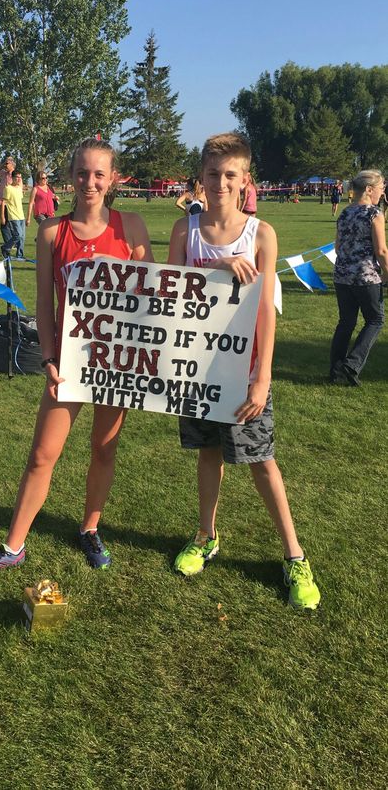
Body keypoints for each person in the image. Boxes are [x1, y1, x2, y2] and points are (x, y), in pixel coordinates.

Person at [0, 137, 153, 585]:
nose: (90, 182)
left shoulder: (133, 226)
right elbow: (46, 303)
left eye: (99, 174)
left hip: (117, 361)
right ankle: (13, 545)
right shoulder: (52, 231)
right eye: (82, 173)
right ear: (70, 178)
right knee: (41, 455)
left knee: (103, 450)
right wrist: (48, 356)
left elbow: (154, 296)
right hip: (69, 361)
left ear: (113, 180)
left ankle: (90, 528)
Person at [167, 131, 320, 610]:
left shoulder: (263, 234)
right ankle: (206, 535)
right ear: (201, 177)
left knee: (260, 460)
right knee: (208, 452)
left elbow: (265, 311)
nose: (219, 182)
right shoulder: (184, 232)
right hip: (197, 370)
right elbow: (170, 292)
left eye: (229, 174)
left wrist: (263, 375)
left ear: (244, 180)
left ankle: (295, 556)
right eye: (212, 174)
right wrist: (218, 271)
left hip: (245, 368)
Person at [329, 169, 387, 386]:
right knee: (375, 319)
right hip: (366, 276)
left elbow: (337, 246)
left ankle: (336, 370)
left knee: (346, 322)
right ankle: (352, 364)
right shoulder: (374, 213)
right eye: (381, 188)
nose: (383, 192)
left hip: (342, 275)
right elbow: (381, 251)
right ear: (369, 189)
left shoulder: (345, 212)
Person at [0, 170, 26, 258]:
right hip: (13, 216)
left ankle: (20, 255)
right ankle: (5, 247)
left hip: (21, 215)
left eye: (20, 177)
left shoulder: (19, 188)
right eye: (17, 177)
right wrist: (2, 216)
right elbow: (3, 202)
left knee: (22, 237)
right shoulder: (8, 188)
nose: (19, 179)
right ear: (12, 178)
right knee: (17, 235)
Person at [0, 155, 15, 251]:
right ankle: (11, 242)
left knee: (6, 224)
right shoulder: (4, 173)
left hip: (10, 202)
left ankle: (10, 243)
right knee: (5, 224)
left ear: (12, 164)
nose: (5, 165)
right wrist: (3, 163)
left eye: (7, 163)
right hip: (2, 201)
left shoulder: (14, 175)